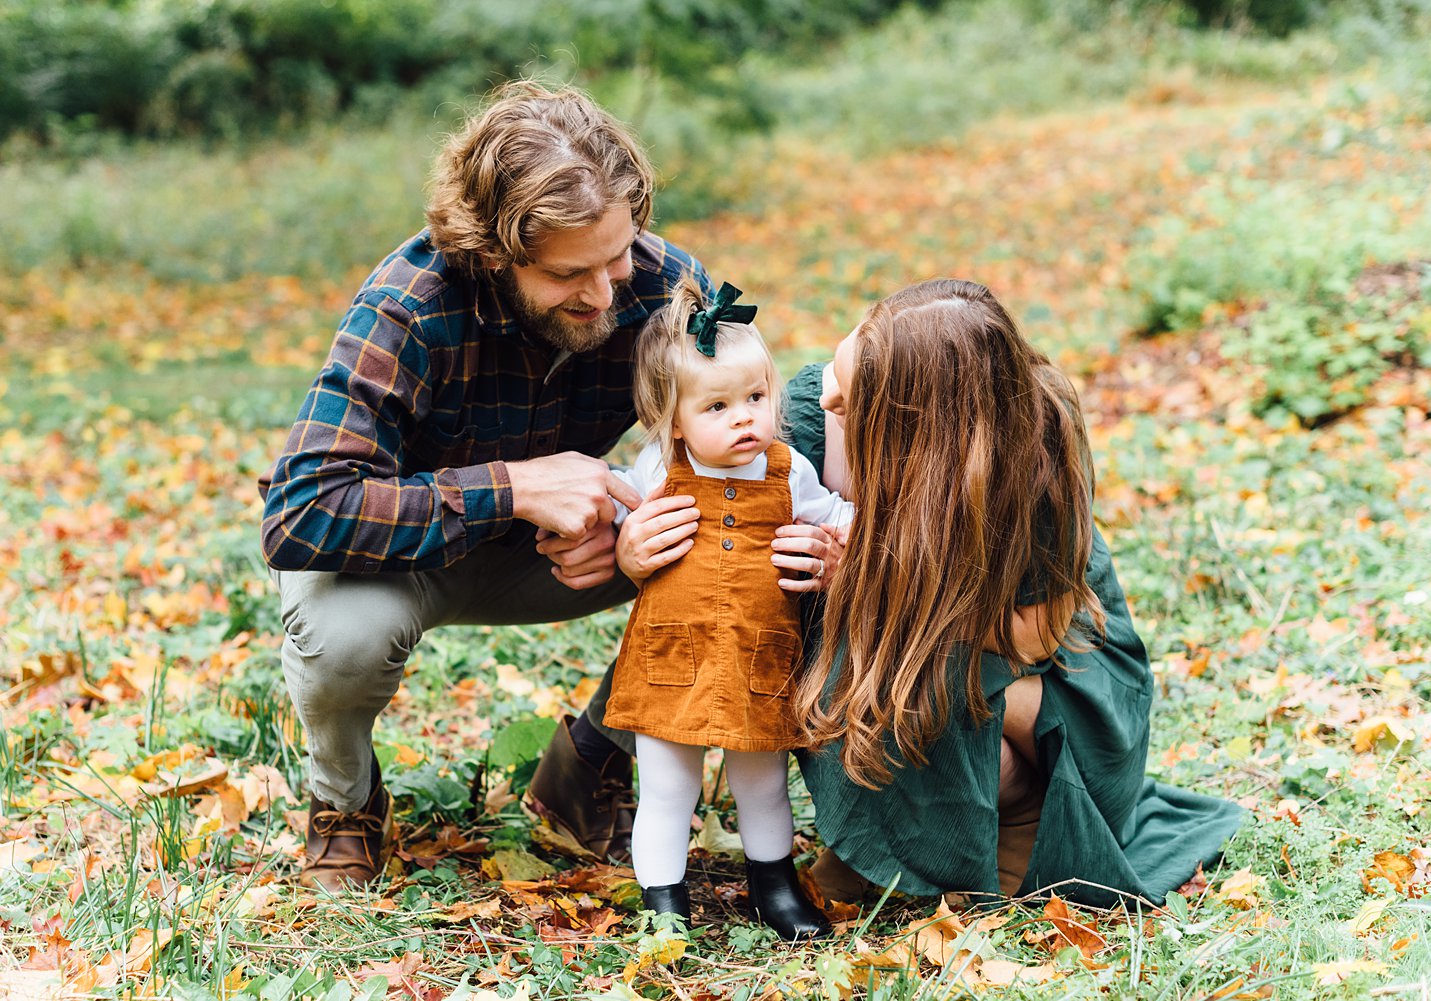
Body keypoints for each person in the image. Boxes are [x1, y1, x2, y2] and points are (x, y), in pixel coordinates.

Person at [258, 80, 714, 891]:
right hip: (397, 557)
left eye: (620, 253)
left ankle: (591, 761)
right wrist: (509, 487)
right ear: (497, 252)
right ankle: (345, 805)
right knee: (345, 638)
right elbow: (301, 511)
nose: (608, 291)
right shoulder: (412, 303)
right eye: (573, 273)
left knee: (736, 554)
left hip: (558, 553)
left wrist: (634, 522)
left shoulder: (663, 282)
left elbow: (732, 453)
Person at [783, 278, 1245, 905]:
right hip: (915, 635)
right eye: (846, 357)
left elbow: (1035, 637)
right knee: (846, 642)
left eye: (852, 399)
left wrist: (866, 578)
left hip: (1060, 682)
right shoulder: (817, 403)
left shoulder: (1030, 455)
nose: (827, 392)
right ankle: (887, 842)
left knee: (921, 674)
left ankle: (1019, 824)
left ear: (919, 428)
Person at [605, 278, 849, 939]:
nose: (745, 417)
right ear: (673, 419)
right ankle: (664, 902)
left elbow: (840, 518)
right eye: (717, 405)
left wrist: (851, 537)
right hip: (671, 655)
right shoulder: (659, 467)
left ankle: (775, 889)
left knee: (763, 779)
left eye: (756, 397)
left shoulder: (789, 469)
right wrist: (612, 534)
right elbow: (611, 510)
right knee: (666, 784)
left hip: (757, 655)